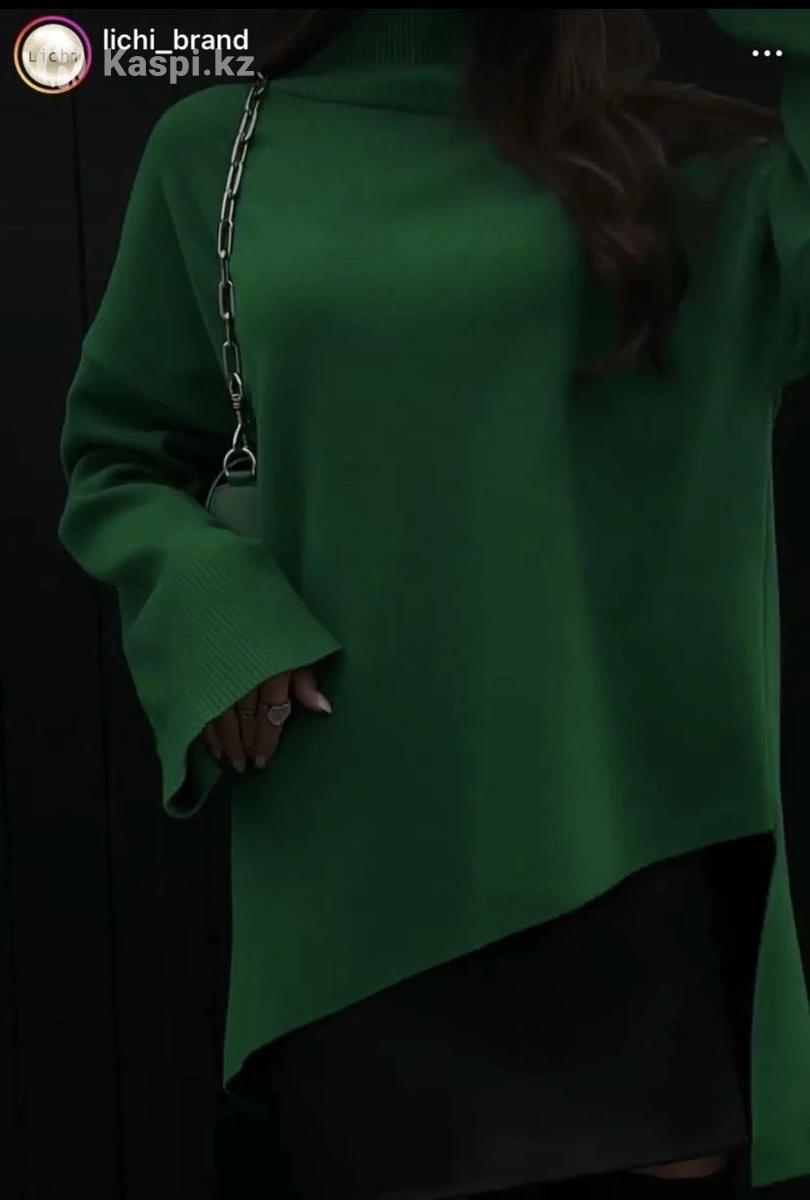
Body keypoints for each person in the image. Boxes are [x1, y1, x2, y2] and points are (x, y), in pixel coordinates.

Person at [57, 9, 810, 1199]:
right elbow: (119, 456)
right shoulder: (220, 149)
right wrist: (212, 603)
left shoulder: (699, 163)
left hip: (628, 830)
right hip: (362, 844)